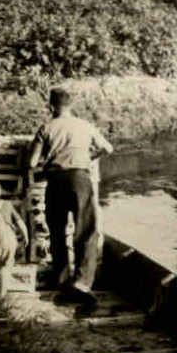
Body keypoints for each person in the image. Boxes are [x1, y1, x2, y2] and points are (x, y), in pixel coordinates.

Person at [27, 87, 113, 305]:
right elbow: (108, 148)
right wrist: (91, 155)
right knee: (85, 230)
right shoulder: (85, 126)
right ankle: (82, 282)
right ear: (71, 105)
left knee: (56, 230)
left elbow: (30, 163)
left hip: (55, 181)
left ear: (51, 106)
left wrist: (47, 159)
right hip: (79, 179)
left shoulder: (46, 127)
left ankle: (62, 280)